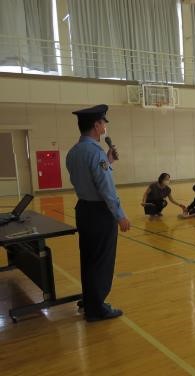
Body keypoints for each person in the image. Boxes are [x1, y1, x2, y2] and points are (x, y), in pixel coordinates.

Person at [66, 104, 129, 322]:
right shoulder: (95, 153)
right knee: (102, 261)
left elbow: (84, 180)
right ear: (96, 125)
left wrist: (108, 161)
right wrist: (120, 215)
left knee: (89, 258)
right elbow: (105, 189)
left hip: (84, 209)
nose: (105, 126)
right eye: (103, 122)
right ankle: (97, 308)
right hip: (100, 213)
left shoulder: (74, 152)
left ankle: (90, 299)